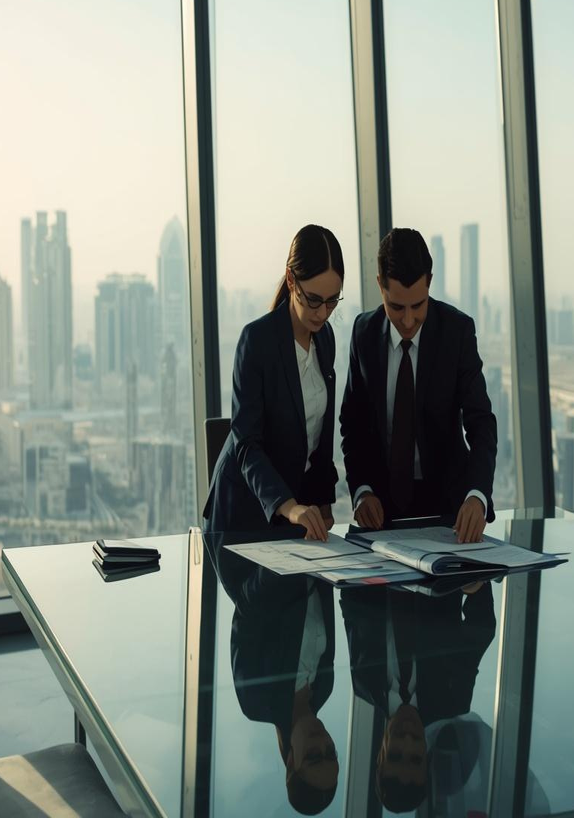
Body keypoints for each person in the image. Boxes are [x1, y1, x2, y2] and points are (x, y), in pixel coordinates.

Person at [339, 228, 497, 543]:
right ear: (379, 286)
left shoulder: (457, 332)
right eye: (397, 307)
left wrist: (477, 495)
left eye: (418, 305)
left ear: (430, 282)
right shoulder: (364, 334)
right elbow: (352, 426)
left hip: (449, 512)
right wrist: (361, 490)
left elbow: (481, 423)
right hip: (380, 515)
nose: (409, 320)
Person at [204, 225, 344, 539]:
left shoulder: (326, 339)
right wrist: (290, 506)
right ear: (291, 280)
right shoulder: (257, 341)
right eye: (313, 300)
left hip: (295, 517)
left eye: (333, 301)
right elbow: (247, 445)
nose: (322, 313)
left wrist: (323, 501)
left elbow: (319, 433)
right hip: (243, 515)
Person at [340, 584, 497, 813]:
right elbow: (481, 628)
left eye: (395, 755)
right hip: (435, 559)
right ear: (426, 757)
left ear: (379, 757)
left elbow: (351, 604)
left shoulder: (363, 683)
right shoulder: (454, 698)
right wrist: (476, 588)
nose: (406, 740)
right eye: (414, 758)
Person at [215, 541, 340, 815]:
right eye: (331, 753)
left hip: (260, 542)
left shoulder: (256, 701)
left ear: (291, 765)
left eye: (313, 756)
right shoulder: (325, 688)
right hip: (311, 544)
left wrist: (286, 561)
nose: (323, 742)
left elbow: (245, 612)